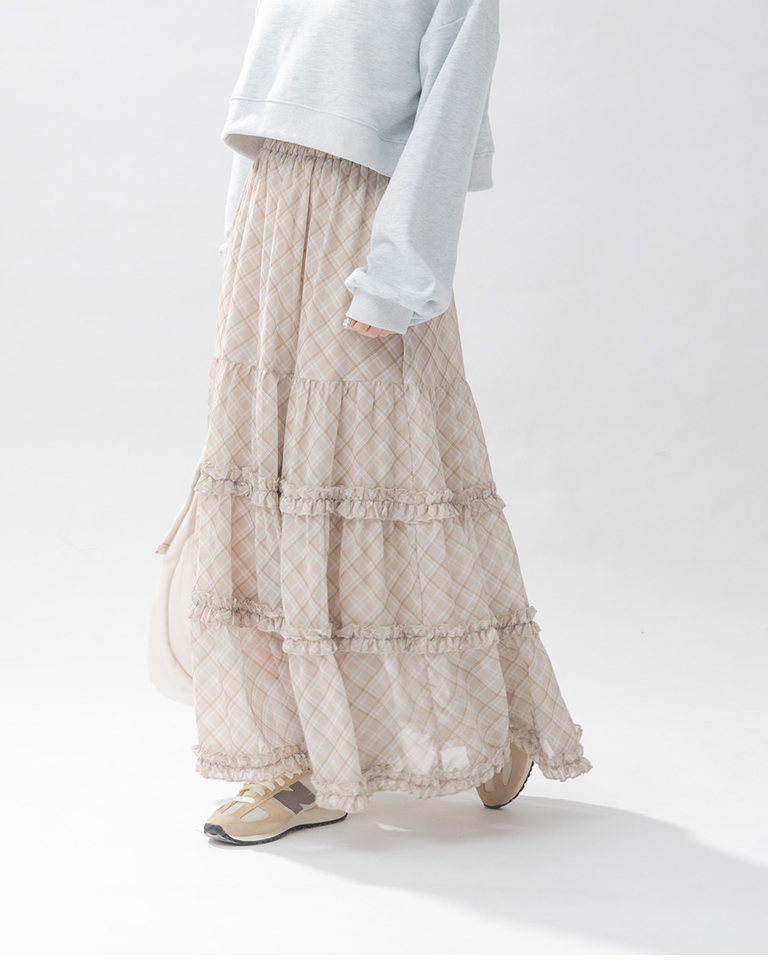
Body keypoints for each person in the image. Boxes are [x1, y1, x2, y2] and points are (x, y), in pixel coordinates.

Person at [189, 0, 592, 847]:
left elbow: (448, 114)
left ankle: (471, 724)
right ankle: (305, 755)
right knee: (280, 482)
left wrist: (400, 273)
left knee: (389, 479)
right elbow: (265, 112)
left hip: (358, 228)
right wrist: (239, 247)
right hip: (275, 226)